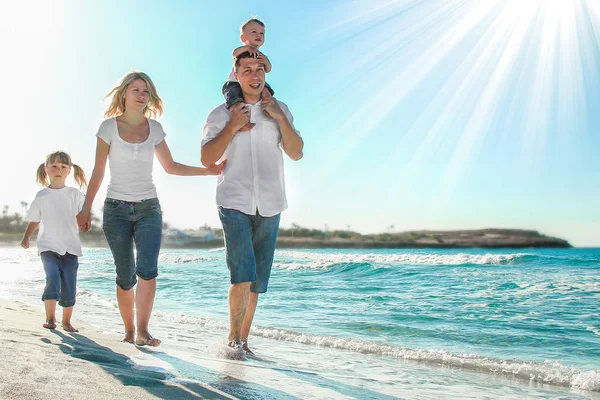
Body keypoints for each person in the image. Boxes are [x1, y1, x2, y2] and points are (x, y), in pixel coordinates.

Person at [77, 71, 224, 346]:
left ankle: (143, 332)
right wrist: (86, 208)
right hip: (115, 209)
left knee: (148, 270)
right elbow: (98, 171)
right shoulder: (108, 127)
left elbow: (171, 166)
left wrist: (208, 172)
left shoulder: (154, 129)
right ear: (124, 94)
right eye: (135, 90)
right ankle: (129, 330)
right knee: (125, 274)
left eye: (146, 91)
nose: (141, 95)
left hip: (149, 209)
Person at [201, 52, 303, 355]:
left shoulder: (280, 109)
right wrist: (232, 125)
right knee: (242, 273)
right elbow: (207, 158)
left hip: (271, 203)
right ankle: (232, 339)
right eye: (247, 70)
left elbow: (296, 152)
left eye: (260, 69)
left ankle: (244, 342)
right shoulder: (221, 113)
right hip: (233, 199)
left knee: (256, 280)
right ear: (236, 74)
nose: (254, 74)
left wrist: (281, 119)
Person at [21, 151, 88, 333]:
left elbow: (83, 214)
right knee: (52, 278)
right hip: (47, 246)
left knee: (69, 282)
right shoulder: (42, 195)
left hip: (71, 247)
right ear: (46, 169)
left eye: (63, 167)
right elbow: (35, 219)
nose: (58, 170)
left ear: (69, 170)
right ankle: (50, 319)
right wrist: (27, 236)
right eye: (54, 166)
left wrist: (85, 223)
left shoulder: (75, 194)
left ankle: (66, 322)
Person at [222, 17, 275, 131]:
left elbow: (268, 69)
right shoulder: (243, 50)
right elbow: (234, 53)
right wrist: (247, 48)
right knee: (235, 100)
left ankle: (268, 108)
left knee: (266, 90)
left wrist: (265, 60)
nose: (258, 35)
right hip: (234, 83)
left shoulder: (260, 55)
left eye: (262, 33)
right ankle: (240, 120)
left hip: (254, 81)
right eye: (254, 32)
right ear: (243, 38)